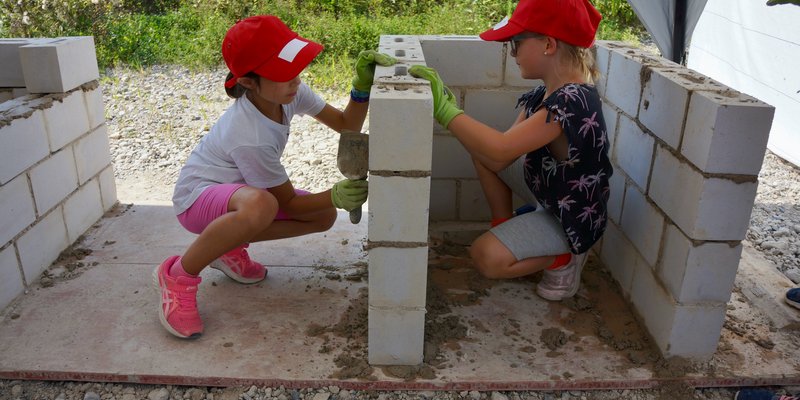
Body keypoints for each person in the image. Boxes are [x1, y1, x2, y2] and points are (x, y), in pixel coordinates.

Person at [154, 15, 396, 339]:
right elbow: (290, 205)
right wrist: (337, 194)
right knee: (261, 206)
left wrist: (361, 89)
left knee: (322, 215)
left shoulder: (288, 92)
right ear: (248, 82)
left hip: (237, 195)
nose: (295, 80)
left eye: (296, 68)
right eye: (283, 74)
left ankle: (225, 246)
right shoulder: (250, 134)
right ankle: (178, 275)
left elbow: (345, 125)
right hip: (196, 200)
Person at [410, 0, 610, 301]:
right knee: (482, 152)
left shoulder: (570, 102)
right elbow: (495, 154)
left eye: (516, 43)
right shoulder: (545, 93)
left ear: (548, 44)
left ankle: (565, 258)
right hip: (549, 190)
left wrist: (445, 111)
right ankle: (507, 228)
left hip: (570, 217)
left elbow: (501, 150)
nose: (512, 53)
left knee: (485, 256)